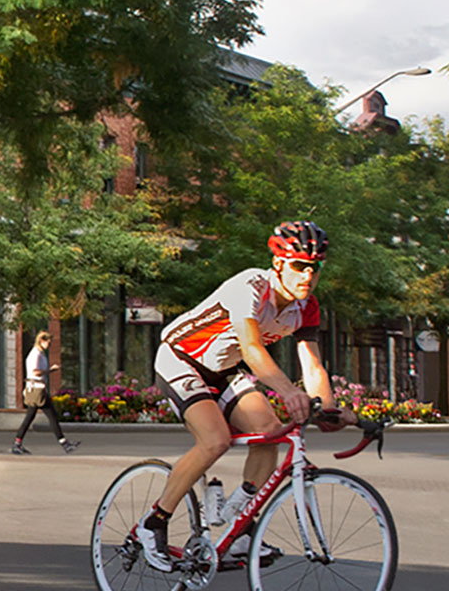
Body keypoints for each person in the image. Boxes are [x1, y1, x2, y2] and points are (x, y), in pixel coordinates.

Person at [138, 221, 338, 573]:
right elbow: (251, 348)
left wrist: (331, 411)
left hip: (224, 370)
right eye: (299, 266)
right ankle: (152, 524)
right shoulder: (250, 286)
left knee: (270, 431)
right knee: (215, 441)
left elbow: (314, 367)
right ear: (279, 264)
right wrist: (289, 392)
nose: (307, 275)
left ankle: (238, 527)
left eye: (315, 267)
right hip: (181, 358)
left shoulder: (306, 306)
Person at [12, 330, 77, 454]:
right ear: (42, 341)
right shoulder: (36, 354)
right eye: (48, 342)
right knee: (49, 416)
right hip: (37, 389)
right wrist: (50, 370)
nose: (49, 345)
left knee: (32, 417)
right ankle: (64, 443)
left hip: (38, 389)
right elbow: (35, 372)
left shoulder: (39, 353)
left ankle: (17, 443)